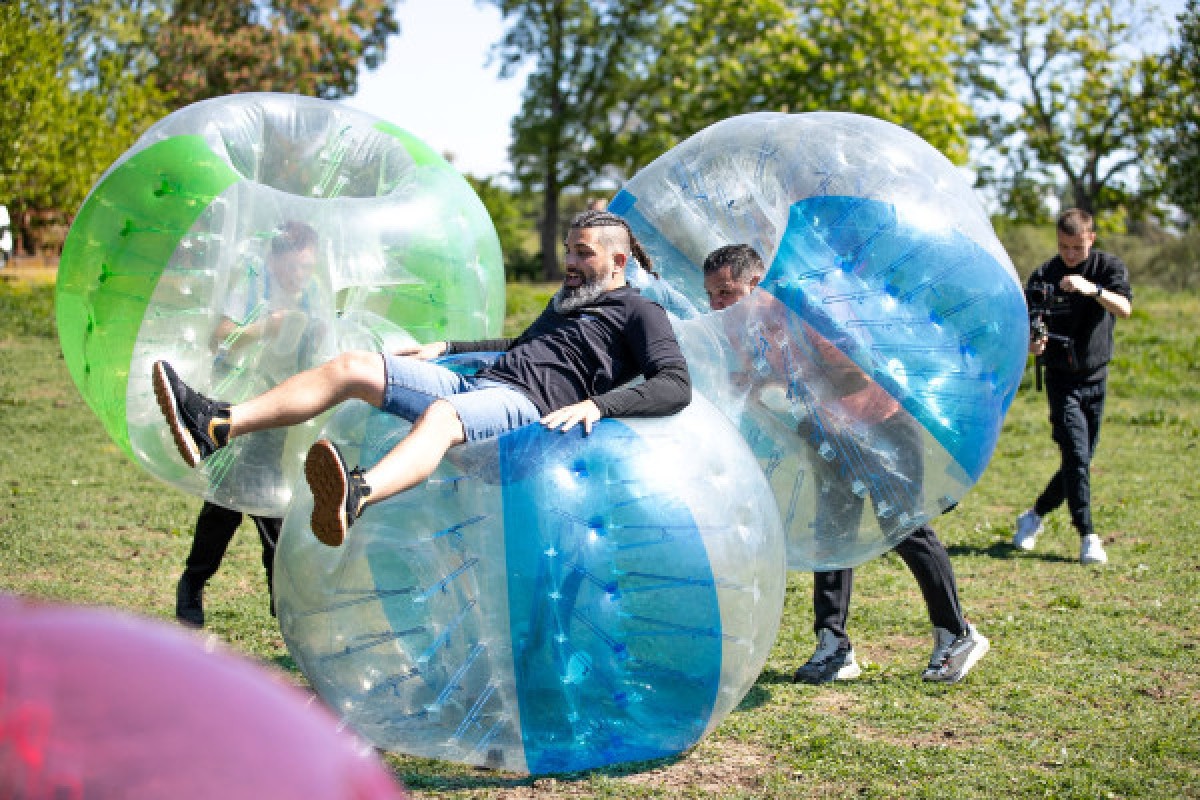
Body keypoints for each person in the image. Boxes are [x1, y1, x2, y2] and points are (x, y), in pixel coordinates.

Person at [153, 210, 692, 548]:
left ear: (619, 260)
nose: (569, 262)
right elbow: (521, 347)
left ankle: (354, 496)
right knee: (353, 366)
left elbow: (674, 383)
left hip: (524, 415)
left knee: (440, 416)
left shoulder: (638, 313)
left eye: (583, 253)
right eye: (569, 251)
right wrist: (449, 349)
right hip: (480, 384)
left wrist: (599, 405)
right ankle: (216, 424)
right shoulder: (567, 304)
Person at [702, 243, 988, 684]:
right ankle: (833, 645)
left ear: (756, 285)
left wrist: (793, 383)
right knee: (832, 534)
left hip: (878, 427)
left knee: (905, 528)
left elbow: (856, 368)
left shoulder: (801, 312)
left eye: (725, 292)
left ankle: (957, 633)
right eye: (711, 296)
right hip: (828, 435)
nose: (716, 305)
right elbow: (754, 382)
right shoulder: (744, 330)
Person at [175, 220, 327, 626]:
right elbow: (219, 338)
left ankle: (194, 586)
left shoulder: (311, 294)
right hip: (236, 404)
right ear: (274, 259)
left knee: (231, 504)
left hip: (277, 406)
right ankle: (279, 605)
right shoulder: (252, 283)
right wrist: (267, 326)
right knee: (257, 504)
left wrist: (316, 334)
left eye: (307, 268)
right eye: (295, 268)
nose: (301, 276)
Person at [1013, 208, 1133, 565]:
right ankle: (1088, 536)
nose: (1070, 255)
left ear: (1090, 240)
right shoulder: (1045, 275)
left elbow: (1124, 308)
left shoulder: (1107, 269)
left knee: (1078, 461)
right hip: (1060, 380)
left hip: (1096, 378)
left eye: (1077, 248)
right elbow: (1030, 322)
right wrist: (1034, 341)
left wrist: (1092, 288)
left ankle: (1033, 515)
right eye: (1064, 247)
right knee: (1077, 457)